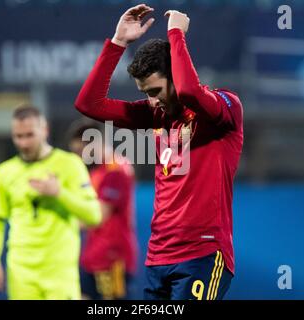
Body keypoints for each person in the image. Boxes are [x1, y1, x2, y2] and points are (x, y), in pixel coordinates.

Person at [75, 4, 243, 300]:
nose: (151, 102)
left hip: (202, 253)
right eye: (145, 94)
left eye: (155, 91)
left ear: (175, 77)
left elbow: (190, 92)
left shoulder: (223, 109)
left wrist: (176, 33)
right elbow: (89, 104)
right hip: (158, 258)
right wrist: (118, 43)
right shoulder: (155, 116)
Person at [0, 105, 101, 300]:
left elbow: (94, 216)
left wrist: (59, 193)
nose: (24, 142)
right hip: (21, 272)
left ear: (44, 130)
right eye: (18, 136)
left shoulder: (70, 164)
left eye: (29, 135)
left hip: (60, 272)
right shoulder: (4, 173)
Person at [67, 119, 138, 300]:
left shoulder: (116, 169)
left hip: (113, 258)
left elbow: (98, 215)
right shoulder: (96, 172)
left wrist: (60, 225)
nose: (79, 157)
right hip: (93, 256)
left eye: (81, 151)